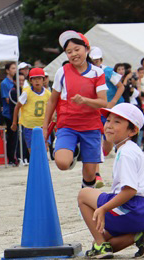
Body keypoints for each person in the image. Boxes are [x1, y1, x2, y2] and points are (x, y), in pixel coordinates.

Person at [78, 103, 144, 259]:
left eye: (117, 122)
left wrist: (103, 209)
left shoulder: (126, 153)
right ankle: (139, 236)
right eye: (108, 120)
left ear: (133, 130)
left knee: (84, 194)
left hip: (134, 208)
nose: (109, 125)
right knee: (105, 238)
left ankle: (101, 245)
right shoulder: (131, 148)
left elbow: (130, 191)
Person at [43, 30, 107, 188]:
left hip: (91, 126)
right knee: (62, 163)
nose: (73, 54)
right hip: (68, 125)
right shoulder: (62, 72)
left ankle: (85, 200)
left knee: (90, 174)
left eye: (77, 50)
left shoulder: (97, 72)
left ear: (87, 49)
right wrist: (45, 127)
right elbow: (52, 101)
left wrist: (84, 100)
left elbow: (103, 102)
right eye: (69, 52)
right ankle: (74, 151)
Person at [11, 67, 51, 157]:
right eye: (34, 79)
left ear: (43, 80)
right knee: (32, 150)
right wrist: (14, 123)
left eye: (39, 79)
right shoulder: (26, 93)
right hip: (29, 126)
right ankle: (35, 166)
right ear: (30, 81)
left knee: (45, 148)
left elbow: (51, 107)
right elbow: (17, 107)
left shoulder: (48, 93)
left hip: (43, 125)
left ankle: (43, 167)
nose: (37, 81)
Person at [0, 61, 19, 165]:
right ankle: (11, 158)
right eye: (12, 68)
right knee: (12, 136)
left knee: (16, 136)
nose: (15, 70)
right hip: (9, 113)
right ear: (7, 70)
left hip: (17, 112)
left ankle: (17, 156)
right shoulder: (5, 83)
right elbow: (7, 99)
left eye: (15, 68)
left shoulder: (16, 82)